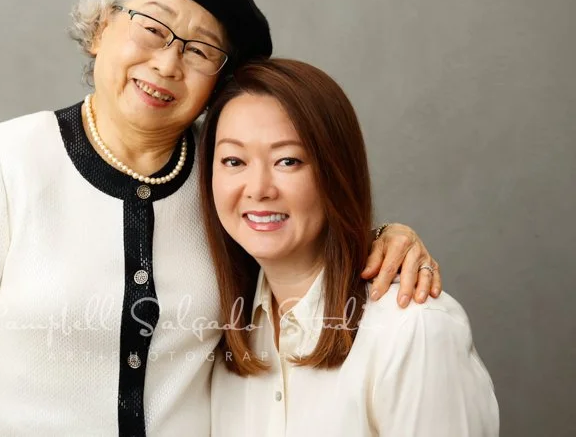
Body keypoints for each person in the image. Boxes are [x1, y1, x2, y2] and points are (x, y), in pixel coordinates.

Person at [0, 0, 442, 436]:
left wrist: (383, 236)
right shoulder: (3, 160)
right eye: (152, 28)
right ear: (100, 28)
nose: (166, 63)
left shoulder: (225, 174)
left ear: (218, 81)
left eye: (200, 50)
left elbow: (297, 242)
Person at [202, 59, 499, 436]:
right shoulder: (220, 331)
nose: (259, 188)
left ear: (336, 172)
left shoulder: (413, 328)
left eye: (288, 161)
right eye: (233, 160)